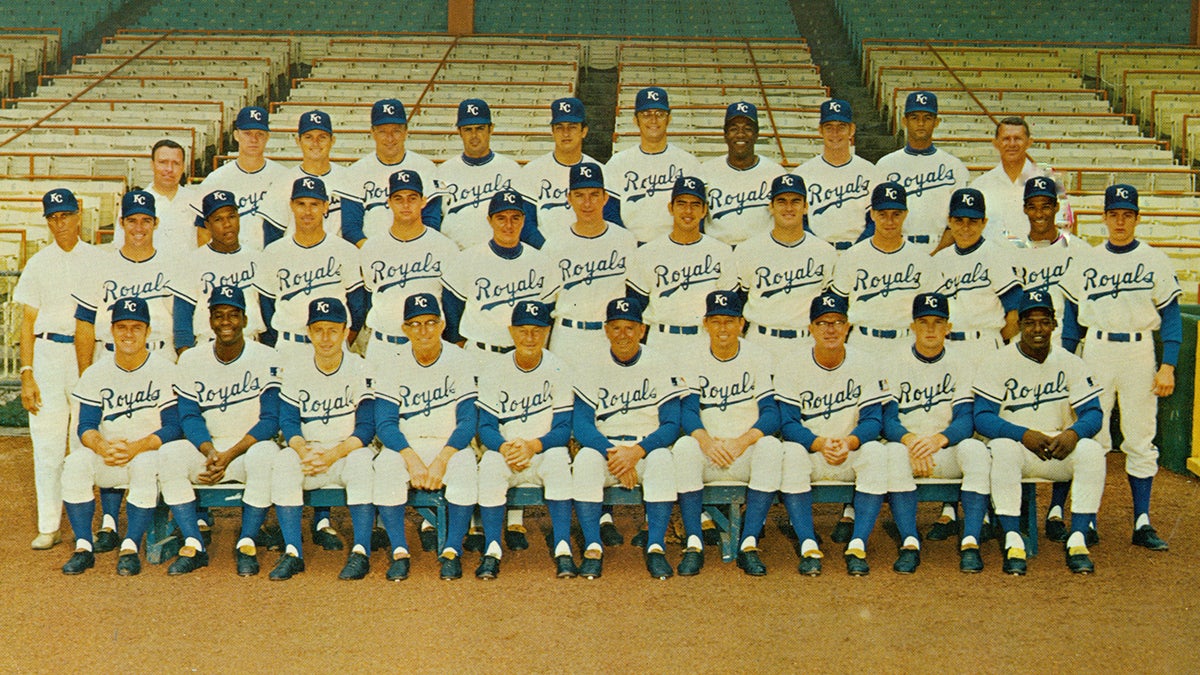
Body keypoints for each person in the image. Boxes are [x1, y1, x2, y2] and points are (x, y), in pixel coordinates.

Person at [1061, 184, 1182, 552]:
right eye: (1114, 214)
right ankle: (1088, 518)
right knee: (1093, 436)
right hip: (1096, 347)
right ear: (1104, 217)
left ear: (1137, 218)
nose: (1120, 221)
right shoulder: (1086, 260)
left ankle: (1142, 521)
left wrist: (1169, 366)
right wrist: (1067, 366)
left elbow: (1172, 316)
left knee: (1141, 437)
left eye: (1127, 215)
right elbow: (1070, 322)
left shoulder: (1155, 259)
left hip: (1139, 350)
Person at [975, 289, 1106, 574]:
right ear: (1020, 324)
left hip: (1058, 446)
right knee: (1003, 449)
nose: (1037, 328)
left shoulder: (1070, 361)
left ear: (1055, 324)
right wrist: (1022, 434)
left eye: (1044, 321)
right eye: (1030, 321)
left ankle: (1078, 537)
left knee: (1093, 451)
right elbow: (982, 417)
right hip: (1018, 446)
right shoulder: (998, 361)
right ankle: (1012, 539)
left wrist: (1073, 434)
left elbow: (1094, 413)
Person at [157, 285, 281, 576]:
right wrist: (211, 451)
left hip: (247, 449)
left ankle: (247, 541)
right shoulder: (191, 359)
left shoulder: (266, 357)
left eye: (233, 315)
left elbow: (270, 419)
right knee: (170, 455)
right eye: (219, 315)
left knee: (267, 455)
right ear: (210, 321)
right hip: (208, 450)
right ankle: (193, 542)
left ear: (245, 320)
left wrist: (229, 454)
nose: (226, 322)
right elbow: (188, 416)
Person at [60, 297, 180, 576]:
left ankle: (129, 546)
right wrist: (101, 446)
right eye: (122, 326)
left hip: (148, 453)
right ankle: (83, 547)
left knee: (145, 464)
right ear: (111, 331)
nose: (128, 334)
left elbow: (174, 426)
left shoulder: (165, 370)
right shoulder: (96, 372)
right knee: (75, 463)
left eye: (137, 327)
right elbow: (85, 425)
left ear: (148, 331)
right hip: (110, 452)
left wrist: (137, 447)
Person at [774, 292, 891, 576]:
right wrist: (818, 443)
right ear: (811, 328)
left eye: (838, 321)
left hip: (850, 450)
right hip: (812, 451)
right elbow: (788, 424)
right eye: (823, 322)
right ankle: (808, 544)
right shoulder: (791, 364)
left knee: (876, 451)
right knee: (789, 452)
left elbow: (874, 420)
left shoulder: (866, 362)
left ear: (848, 326)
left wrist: (850, 442)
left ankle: (858, 545)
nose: (831, 329)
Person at [672, 291, 782, 577]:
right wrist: (706, 442)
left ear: (741, 324)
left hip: (743, 451)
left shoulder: (759, 356)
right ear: (706, 323)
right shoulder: (690, 356)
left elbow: (771, 413)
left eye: (730, 321)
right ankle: (694, 541)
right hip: (708, 452)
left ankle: (749, 542)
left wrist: (742, 441)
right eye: (717, 321)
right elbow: (687, 411)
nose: (723, 328)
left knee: (770, 447)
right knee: (685, 447)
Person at [572, 297, 683, 579]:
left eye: (630, 328)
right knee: (584, 459)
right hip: (606, 450)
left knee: (662, 459)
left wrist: (636, 452)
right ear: (606, 330)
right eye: (617, 327)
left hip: (645, 448)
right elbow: (582, 426)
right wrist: (615, 453)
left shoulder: (661, 363)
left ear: (642, 330)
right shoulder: (590, 364)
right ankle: (593, 546)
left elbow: (671, 424)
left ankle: (656, 546)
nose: (624, 335)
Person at [880, 293, 991, 573]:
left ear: (948, 328)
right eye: (923, 322)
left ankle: (970, 542)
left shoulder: (962, 362)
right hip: (909, 449)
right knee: (892, 453)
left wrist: (937, 441)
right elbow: (887, 419)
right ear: (913, 327)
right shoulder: (892, 361)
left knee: (976, 450)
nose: (930, 329)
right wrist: (911, 441)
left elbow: (966, 419)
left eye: (938, 322)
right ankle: (909, 542)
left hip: (945, 448)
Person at [372, 293, 480, 581]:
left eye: (430, 322)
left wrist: (443, 459)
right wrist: (412, 459)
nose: (424, 330)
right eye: (415, 324)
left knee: (466, 465)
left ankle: (452, 551)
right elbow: (384, 424)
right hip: (406, 445)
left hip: (449, 444)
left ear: (442, 324)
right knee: (385, 465)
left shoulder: (461, 359)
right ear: (405, 329)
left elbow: (468, 421)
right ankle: (399, 551)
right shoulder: (391, 362)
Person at [269, 297, 376, 581]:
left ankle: (361, 552)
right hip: (310, 454)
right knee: (283, 461)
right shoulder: (295, 367)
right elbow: (288, 422)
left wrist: (330, 456)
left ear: (345, 331)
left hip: (345, 452)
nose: (325, 337)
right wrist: (303, 450)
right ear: (309, 333)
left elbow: (365, 428)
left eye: (332, 329)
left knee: (364, 462)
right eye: (318, 330)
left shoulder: (359, 367)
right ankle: (293, 552)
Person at [16, 189, 98, 550]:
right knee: (47, 445)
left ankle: (86, 525)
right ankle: (49, 524)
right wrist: (27, 372)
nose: (59, 223)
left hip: (86, 355)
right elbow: (27, 320)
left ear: (78, 215)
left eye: (65, 215)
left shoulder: (98, 259)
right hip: (48, 353)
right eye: (53, 217)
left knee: (84, 442)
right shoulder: (39, 263)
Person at [475, 300, 574, 579]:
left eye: (537, 330)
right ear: (511, 331)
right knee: (491, 464)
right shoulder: (494, 370)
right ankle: (492, 549)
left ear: (547, 331)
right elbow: (486, 427)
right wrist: (505, 447)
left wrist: (532, 446)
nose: (530, 337)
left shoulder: (559, 368)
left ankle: (563, 548)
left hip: (542, 449)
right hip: (507, 452)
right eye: (523, 330)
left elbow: (564, 428)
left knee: (558, 460)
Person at [256, 176, 366, 363]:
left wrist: (344, 339)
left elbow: (357, 303)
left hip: (333, 345)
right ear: (291, 205)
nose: (307, 211)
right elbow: (267, 304)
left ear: (325, 207)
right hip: (290, 345)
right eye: (301, 204)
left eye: (314, 204)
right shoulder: (274, 251)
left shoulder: (344, 250)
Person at [442, 189, 559, 364]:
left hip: (525, 355)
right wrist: (459, 345)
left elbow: (548, 314)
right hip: (480, 354)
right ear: (490, 220)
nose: (509, 225)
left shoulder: (541, 261)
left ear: (523, 220)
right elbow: (452, 308)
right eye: (501, 218)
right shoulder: (468, 259)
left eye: (515, 218)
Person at [627, 176, 737, 360]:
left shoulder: (722, 252)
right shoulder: (647, 252)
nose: (688, 211)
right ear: (671, 208)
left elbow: (729, 307)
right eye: (681, 204)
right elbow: (637, 306)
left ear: (704, 211)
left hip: (704, 339)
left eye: (695, 204)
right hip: (662, 339)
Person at [540, 162, 637, 366]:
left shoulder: (626, 241)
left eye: (594, 195)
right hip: (568, 336)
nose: (587, 203)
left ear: (605, 198)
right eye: (579, 195)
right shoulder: (554, 245)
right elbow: (545, 303)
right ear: (569, 199)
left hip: (610, 336)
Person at [735, 174, 836, 362]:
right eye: (781, 201)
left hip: (806, 342)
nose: (789, 208)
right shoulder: (748, 250)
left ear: (805, 207)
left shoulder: (824, 252)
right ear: (771, 207)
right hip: (761, 341)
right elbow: (740, 300)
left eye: (795, 201)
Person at [357, 169, 457, 358]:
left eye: (412, 198)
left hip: (429, 345)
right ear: (388, 203)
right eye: (398, 198)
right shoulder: (372, 248)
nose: (405, 204)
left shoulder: (444, 247)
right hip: (384, 344)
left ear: (423, 201)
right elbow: (371, 295)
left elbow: (451, 304)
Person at [75, 189, 177, 368]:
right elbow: (84, 323)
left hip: (159, 356)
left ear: (156, 223)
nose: (139, 228)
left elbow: (182, 320)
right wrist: (85, 374)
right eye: (132, 221)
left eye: (146, 221)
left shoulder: (172, 267)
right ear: (121, 223)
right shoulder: (99, 266)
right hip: (109, 357)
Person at [831, 182, 931, 358]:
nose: (890, 221)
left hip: (906, 342)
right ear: (872, 214)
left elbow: (929, 311)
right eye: (882, 214)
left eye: (896, 214)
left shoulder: (921, 259)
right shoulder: (852, 256)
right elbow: (838, 307)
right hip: (863, 342)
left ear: (905, 215)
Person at [434, 98, 540, 250]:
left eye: (480, 128)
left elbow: (526, 221)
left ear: (491, 129)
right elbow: (434, 220)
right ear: (459, 132)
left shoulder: (511, 169)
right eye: (468, 129)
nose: (474, 135)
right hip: (457, 256)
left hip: (500, 255)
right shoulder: (443, 171)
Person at [170, 190, 265, 355]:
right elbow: (182, 319)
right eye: (218, 219)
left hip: (250, 345)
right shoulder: (191, 262)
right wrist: (186, 356)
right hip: (207, 347)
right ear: (207, 225)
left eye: (231, 216)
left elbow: (267, 310)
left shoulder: (257, 259)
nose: (227, 224)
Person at [874, 91, 969, 253]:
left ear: (936, 122)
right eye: (914, 118)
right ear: (904, 121)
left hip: (941, 246)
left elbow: (959, 219)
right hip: (897, 246)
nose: (920, 123)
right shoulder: (886, 164)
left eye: (927, 118)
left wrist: (937, 254)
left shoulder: (954, 166)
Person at [605, 87, 701, 243]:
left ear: (669, 119)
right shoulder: (618, 163)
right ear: (635, 120)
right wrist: (626, 243)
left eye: (660, 114)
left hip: (676, 248)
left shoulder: (688, 162)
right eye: (646, 114)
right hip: (631, 247)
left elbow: (699, 214)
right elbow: (609, 212)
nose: (653, 120)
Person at [930, 188, 1022, 353]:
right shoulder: (939, 260)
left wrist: (996, 341)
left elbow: (1015, 315)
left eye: (972, 221)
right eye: (959, 220)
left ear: (984, 222)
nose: (965, 228)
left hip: (984, 343)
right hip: (948, 345)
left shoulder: (996, 255)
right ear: (949, 221)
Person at [340, 99, 440, 243]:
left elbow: (432, 220)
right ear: (372, 132)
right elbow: (351, 228)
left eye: (396, 131)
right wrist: (374, 253)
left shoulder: (426, 167)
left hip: (417, 254)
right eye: (382, 131)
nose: (390, 138)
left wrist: (415, 248)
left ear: (406, 131)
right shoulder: (355, 171)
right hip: (372, 255)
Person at [520, 97, 620, 237]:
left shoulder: (602, 171)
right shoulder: (532, 171)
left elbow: (612, 221)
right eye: (560, 127)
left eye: (572, 127)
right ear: (552, 131)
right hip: (547, 253)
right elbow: (526, 224)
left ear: (583, 131)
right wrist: (547, 250)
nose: (566, 133)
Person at [193, 106, 289, 251]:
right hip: (232, 265)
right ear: (236, 135)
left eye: (260, 134)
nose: (254, 139)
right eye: (247, 133)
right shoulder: (217, 179)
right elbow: (203, 231)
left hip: (273, 260)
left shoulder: (284, 176)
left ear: (268, 137)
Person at [792, 99, 881, 250]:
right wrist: (816, 247)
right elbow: (799, 220)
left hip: (858, 250)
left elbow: (876, 220)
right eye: (829, 127)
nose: (835, 133)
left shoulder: (870, 172)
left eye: (841, 127)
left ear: (852, 130)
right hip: (815, 251)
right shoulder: (802, 173)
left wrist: (858, 249)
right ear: (820, 130)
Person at [260, 110, 353, 247]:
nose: (315, 143)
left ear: (332, 140)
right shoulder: (283, 182)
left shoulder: (348, 178)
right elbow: (272, 234)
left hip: (336, 260)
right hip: (295, 260)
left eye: (322, 137)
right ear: (298, 141)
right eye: (308, 137)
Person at [699, 101, 785, 246]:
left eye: (747, 128)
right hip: (718, 249)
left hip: (761, 250)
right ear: (725, 134)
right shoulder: (706, 170)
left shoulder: (775, 173)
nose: (740, 134)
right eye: (734, 128)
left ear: (757, 134)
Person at [969, 116, 1050, 245]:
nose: (1012, 144)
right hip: (992, 261)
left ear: (1029, 142)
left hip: (1035, 260)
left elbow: (1064, 227)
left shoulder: (1049, 181)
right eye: (1006, 139)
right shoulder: (979, 186)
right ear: (995, 143)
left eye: (1018, 138)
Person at [115, 139, 197, 258]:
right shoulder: (134, 203)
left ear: (183, 167)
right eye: (163, 162)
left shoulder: (197, 201)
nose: (169, 169)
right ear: (152, 165)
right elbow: (121, 247)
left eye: (176, 163)